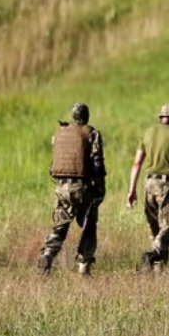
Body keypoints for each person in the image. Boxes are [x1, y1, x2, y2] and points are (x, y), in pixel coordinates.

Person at [37, 102, 106, 275]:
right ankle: (84, 266)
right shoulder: (91, 133)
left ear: (73, 116)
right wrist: (100, 188)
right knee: (89, 224)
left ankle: (47, 255)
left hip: (61, 188)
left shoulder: (60, 134)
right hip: (82, 188)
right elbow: (97, 163)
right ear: (86, 116)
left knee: (59, 226)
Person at [126, 102, 169, 272]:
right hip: (167, 185)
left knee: (155, 228)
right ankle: (152, 254)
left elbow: (137, 163)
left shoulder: (147, 133)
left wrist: (131, 191)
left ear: (161, 118)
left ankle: (156, 270)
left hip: (148, 183)